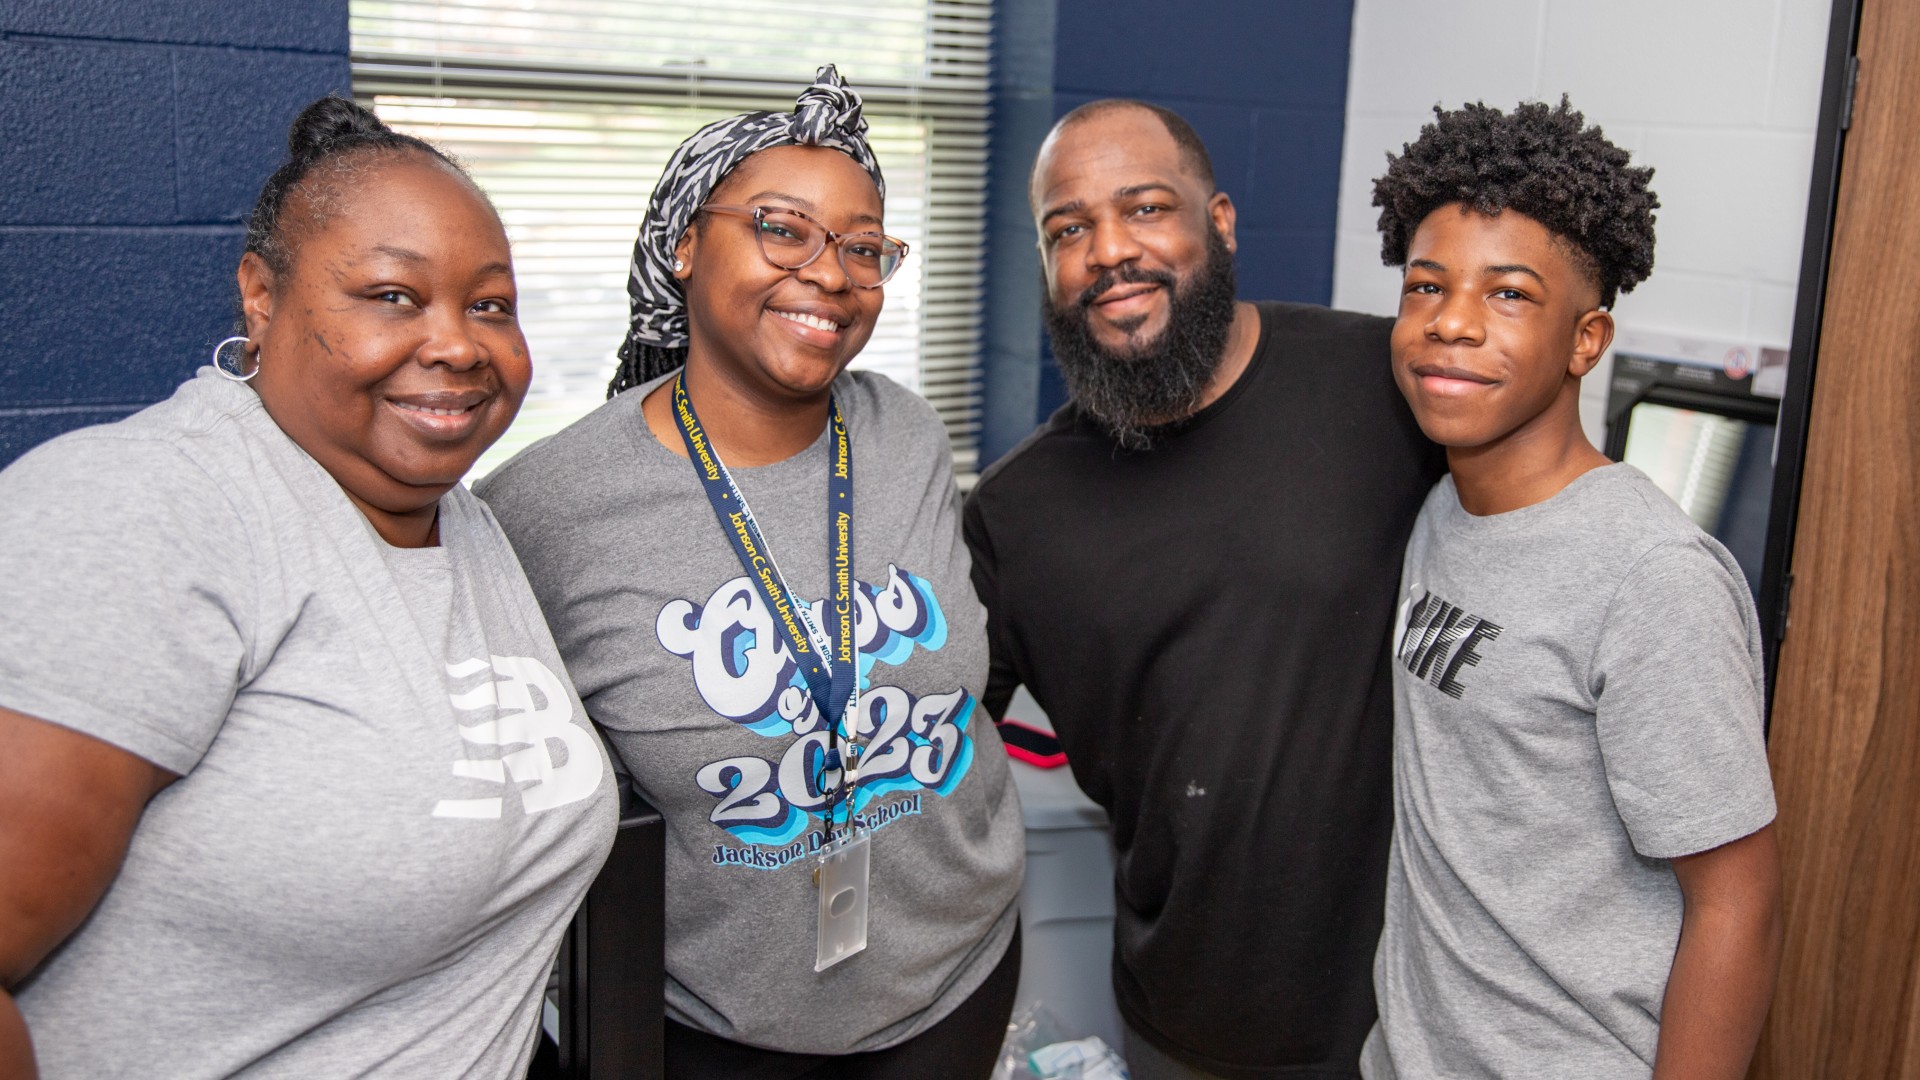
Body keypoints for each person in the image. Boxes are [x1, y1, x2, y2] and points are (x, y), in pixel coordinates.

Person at [0, 96, 617, 1079]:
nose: (459, 345)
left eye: (490, 304)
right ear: (261, 296)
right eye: (392, 296)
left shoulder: (456, 514)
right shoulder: (143, 509)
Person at [474, 66, 1025, 1080]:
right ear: (684, 243)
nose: (830, 271)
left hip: (958, 977)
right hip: (709, 1029)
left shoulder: (903, 432)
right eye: (782, 228)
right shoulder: (542, 510)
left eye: (864, 247)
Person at [963, 100, 1447, 1079]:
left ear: (1217, 222)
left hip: (1426, 1018)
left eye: (1145, 208)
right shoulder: (1017, 516)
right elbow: (914, 766)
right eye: (1069, 228)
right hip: (1182, 1031)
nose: (1108, 251)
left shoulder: (1387, 388)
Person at [1359, 98, 1781, 1079]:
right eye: (1427, 287)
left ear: (1586, 340)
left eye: (1508, 295)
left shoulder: (1650, 580)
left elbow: (1738, 902)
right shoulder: (1441, 513)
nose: (1452, 322)